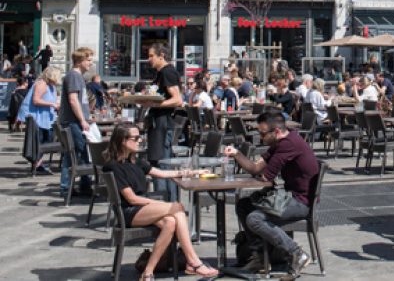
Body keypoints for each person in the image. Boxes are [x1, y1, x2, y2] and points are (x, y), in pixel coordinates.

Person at [103, 124, 217, 280]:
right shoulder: (114, 166)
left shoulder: (137, 162)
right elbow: (131, 199)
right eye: (135, 138)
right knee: (177, 208)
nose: (140, 140)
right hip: (129, 212)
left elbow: (163, 173)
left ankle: (148, 272)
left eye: (140, 136)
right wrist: (159, 205)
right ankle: (193, 261)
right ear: (123, 141)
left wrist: (193, 172)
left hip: (143, 208)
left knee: (170, 222)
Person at [226, 112, 318, 276]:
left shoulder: (288, 145)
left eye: (262, 133)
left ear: (276, 132)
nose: (260, 137)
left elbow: (266, 176)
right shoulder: (280, 142)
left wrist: (262, 174)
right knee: (243, 205)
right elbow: (256, 168)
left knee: (254, 218)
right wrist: (236, 154)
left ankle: (297, 253)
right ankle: (260, 256)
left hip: (301, 203)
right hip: (289, 197)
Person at [144, 43, 183, 201]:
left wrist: (155, 105)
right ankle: (164, 201)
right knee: (157, 160)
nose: (148, 59)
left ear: (162, 56)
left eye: (151, 56)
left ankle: (168, 203)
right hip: (157, 123)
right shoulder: (161, 73)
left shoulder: (168, 72)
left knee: (162, 162)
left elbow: (177, 100)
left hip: (163, 123)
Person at [58, 47, 94, 197]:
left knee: (80, 152)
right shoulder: (73, 76)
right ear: (80, 61)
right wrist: (82, 120)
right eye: (89, 60)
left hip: (77, 121)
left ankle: (80, 185)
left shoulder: (78, 76)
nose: (91, 64)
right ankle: (69, 187)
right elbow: (73, 100)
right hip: (73, 122)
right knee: (76, 153)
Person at [17, 66, 61, 174]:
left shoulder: (51, 86)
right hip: (38, 118)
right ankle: (36, 163)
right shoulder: (42, 84)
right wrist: (52, 104)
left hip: (46, 117)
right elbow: (36, 100)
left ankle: (38, 162)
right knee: (40, 141)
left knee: (47, 140)